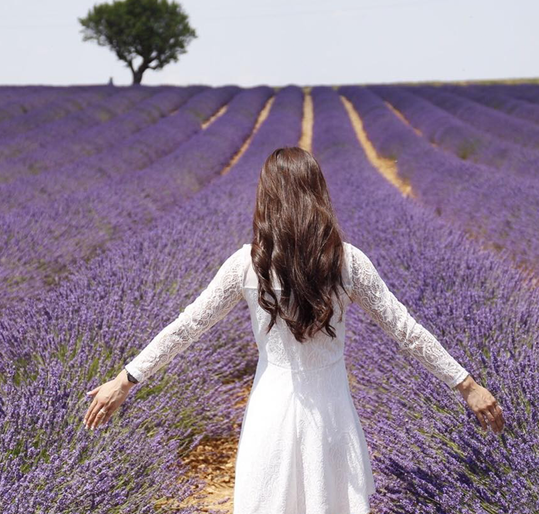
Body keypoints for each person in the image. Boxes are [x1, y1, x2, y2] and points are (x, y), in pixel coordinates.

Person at [83, 146, 504, 514]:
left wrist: (125, 380)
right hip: (332, 413)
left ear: (267, 197)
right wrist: (466, 385)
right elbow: (406, 330)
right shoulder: (348, 262)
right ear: (318, 194)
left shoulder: (246, 264)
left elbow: (186, 327)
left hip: (272, 410)